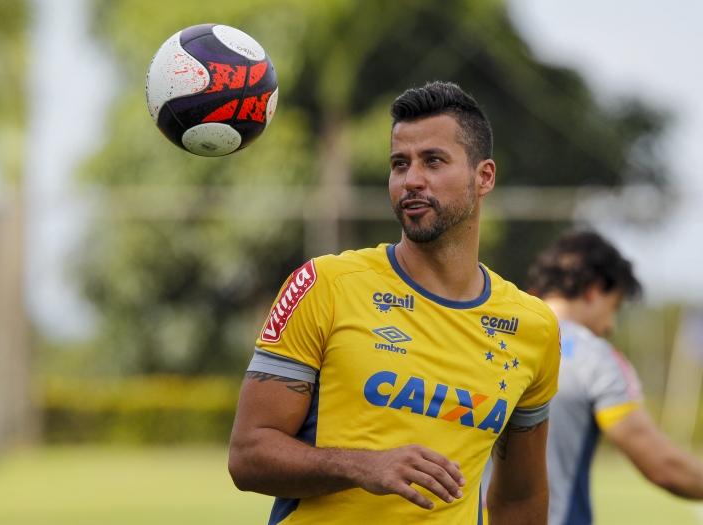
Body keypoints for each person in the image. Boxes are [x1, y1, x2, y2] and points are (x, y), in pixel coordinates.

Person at [228, 81, 561, 524]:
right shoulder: (326, 284)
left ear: (484, 177)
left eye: (434, 161)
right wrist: (362, 466)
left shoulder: (532, 326)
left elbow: (520, 497)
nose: (412, 180)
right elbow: (249, 454)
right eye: (399, 163)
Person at [527, 231, 703, 524]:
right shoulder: (594, 358)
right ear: (594, 291)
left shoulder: (493, 340)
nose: (611, 325)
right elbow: (664, 467)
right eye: (614, 307)